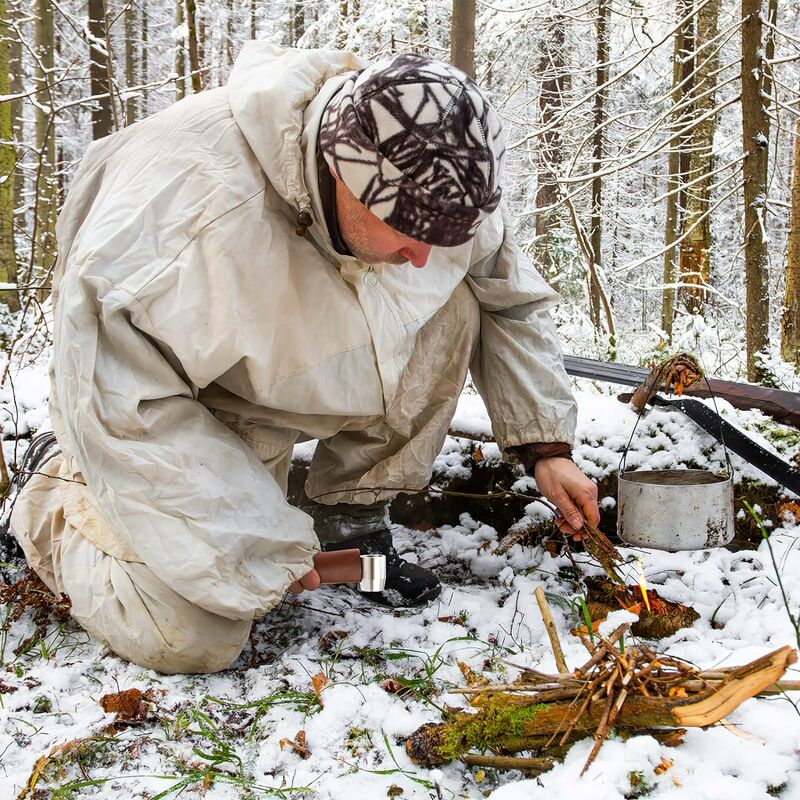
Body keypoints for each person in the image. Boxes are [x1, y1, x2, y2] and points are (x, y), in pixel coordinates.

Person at [6, 43, 599, 674]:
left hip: (310, 362)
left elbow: (510, 300)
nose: (425, 256)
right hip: (191, 410)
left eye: (441, 235)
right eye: (410, 229)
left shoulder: (438, 174)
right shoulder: (178, 225)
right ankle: (50, 495)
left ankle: (350, 524)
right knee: (192, 633)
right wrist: (258, 545)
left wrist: (547, 449)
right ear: (345, 173)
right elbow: (126, 406)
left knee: (456, 304)